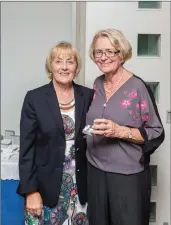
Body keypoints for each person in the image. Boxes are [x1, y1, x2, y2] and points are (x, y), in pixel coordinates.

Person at [86, 29, 165, 225]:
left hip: (127, 175)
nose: (103, 57)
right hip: (95, 170)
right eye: (98, 52)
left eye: (109, 51)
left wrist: (119, 131)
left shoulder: (137, 87)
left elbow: (156, 132)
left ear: (121, 54)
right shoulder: (97, 84)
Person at [17, 41, 94, 225]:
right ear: (50, 66)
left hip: (81, 191)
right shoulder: (34, 98)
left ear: (77, 67)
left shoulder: (89, 96)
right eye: (59, 61)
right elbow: (26, 151)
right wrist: (31, 191)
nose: (65, 67)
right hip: (43, 191)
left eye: (70, 61)